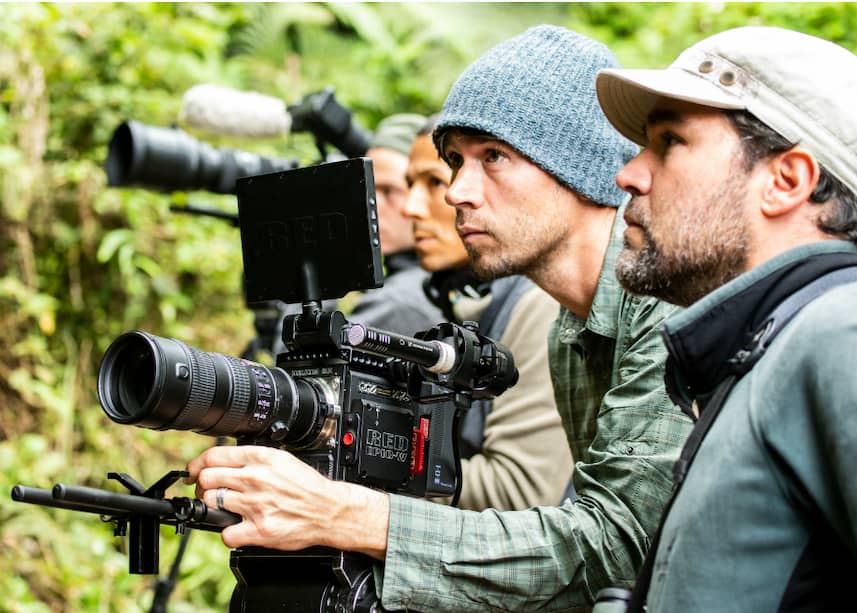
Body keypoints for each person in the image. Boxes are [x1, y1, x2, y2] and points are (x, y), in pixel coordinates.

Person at [186, 25, 692, 611]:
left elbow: (618, 550)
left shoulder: (663, 306)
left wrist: (344, 513)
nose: (456, 191)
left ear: (577, 164)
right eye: (456, 160)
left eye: (493, 157)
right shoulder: (572, 328)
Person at [594, 25, 857, 611]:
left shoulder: (850, 332)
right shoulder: (763, 355)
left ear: (786, 181)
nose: (630, 174)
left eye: (669, 143)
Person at [402, 113, 574, 511]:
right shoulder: (465, 304)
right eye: (454, 165)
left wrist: (369, 456)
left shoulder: (541, 302)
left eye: (433, 181)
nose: (413, 207)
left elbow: (520, 494)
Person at [270, 113, 443, 356]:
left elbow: (299, 367)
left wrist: (315, 260)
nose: (371, 205)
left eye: (389, 191)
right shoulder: (431, 285)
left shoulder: (403, 303)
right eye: (367, 189)